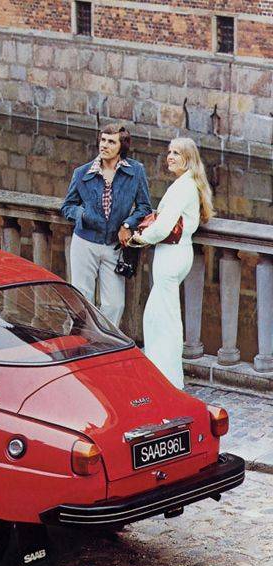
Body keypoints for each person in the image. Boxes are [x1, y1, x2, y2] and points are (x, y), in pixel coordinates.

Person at [131, 137, 214, 389]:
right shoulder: (189, 184)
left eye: (176, 153)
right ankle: (164, 375)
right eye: (169, 152)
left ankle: (166, 380)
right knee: (160, 316)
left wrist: (140, 238)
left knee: (162, 320)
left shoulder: (182, 187)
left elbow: (163, 226)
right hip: (179, 253)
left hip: (171, 255)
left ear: (188, 159)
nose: (170, 157)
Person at [61, 125, 152, 327]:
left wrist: (127, 224)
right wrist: (83, 215)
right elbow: (67, 206)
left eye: (111, 142)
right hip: (85, 243)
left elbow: (144, 207)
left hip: (114, 246)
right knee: (81, 298)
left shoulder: (135, 171)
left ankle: (104, 340)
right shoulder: (82, 173)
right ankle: (81, 339)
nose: (104, 145)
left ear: (122, 146)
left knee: (114, 304)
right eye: (103, 140)